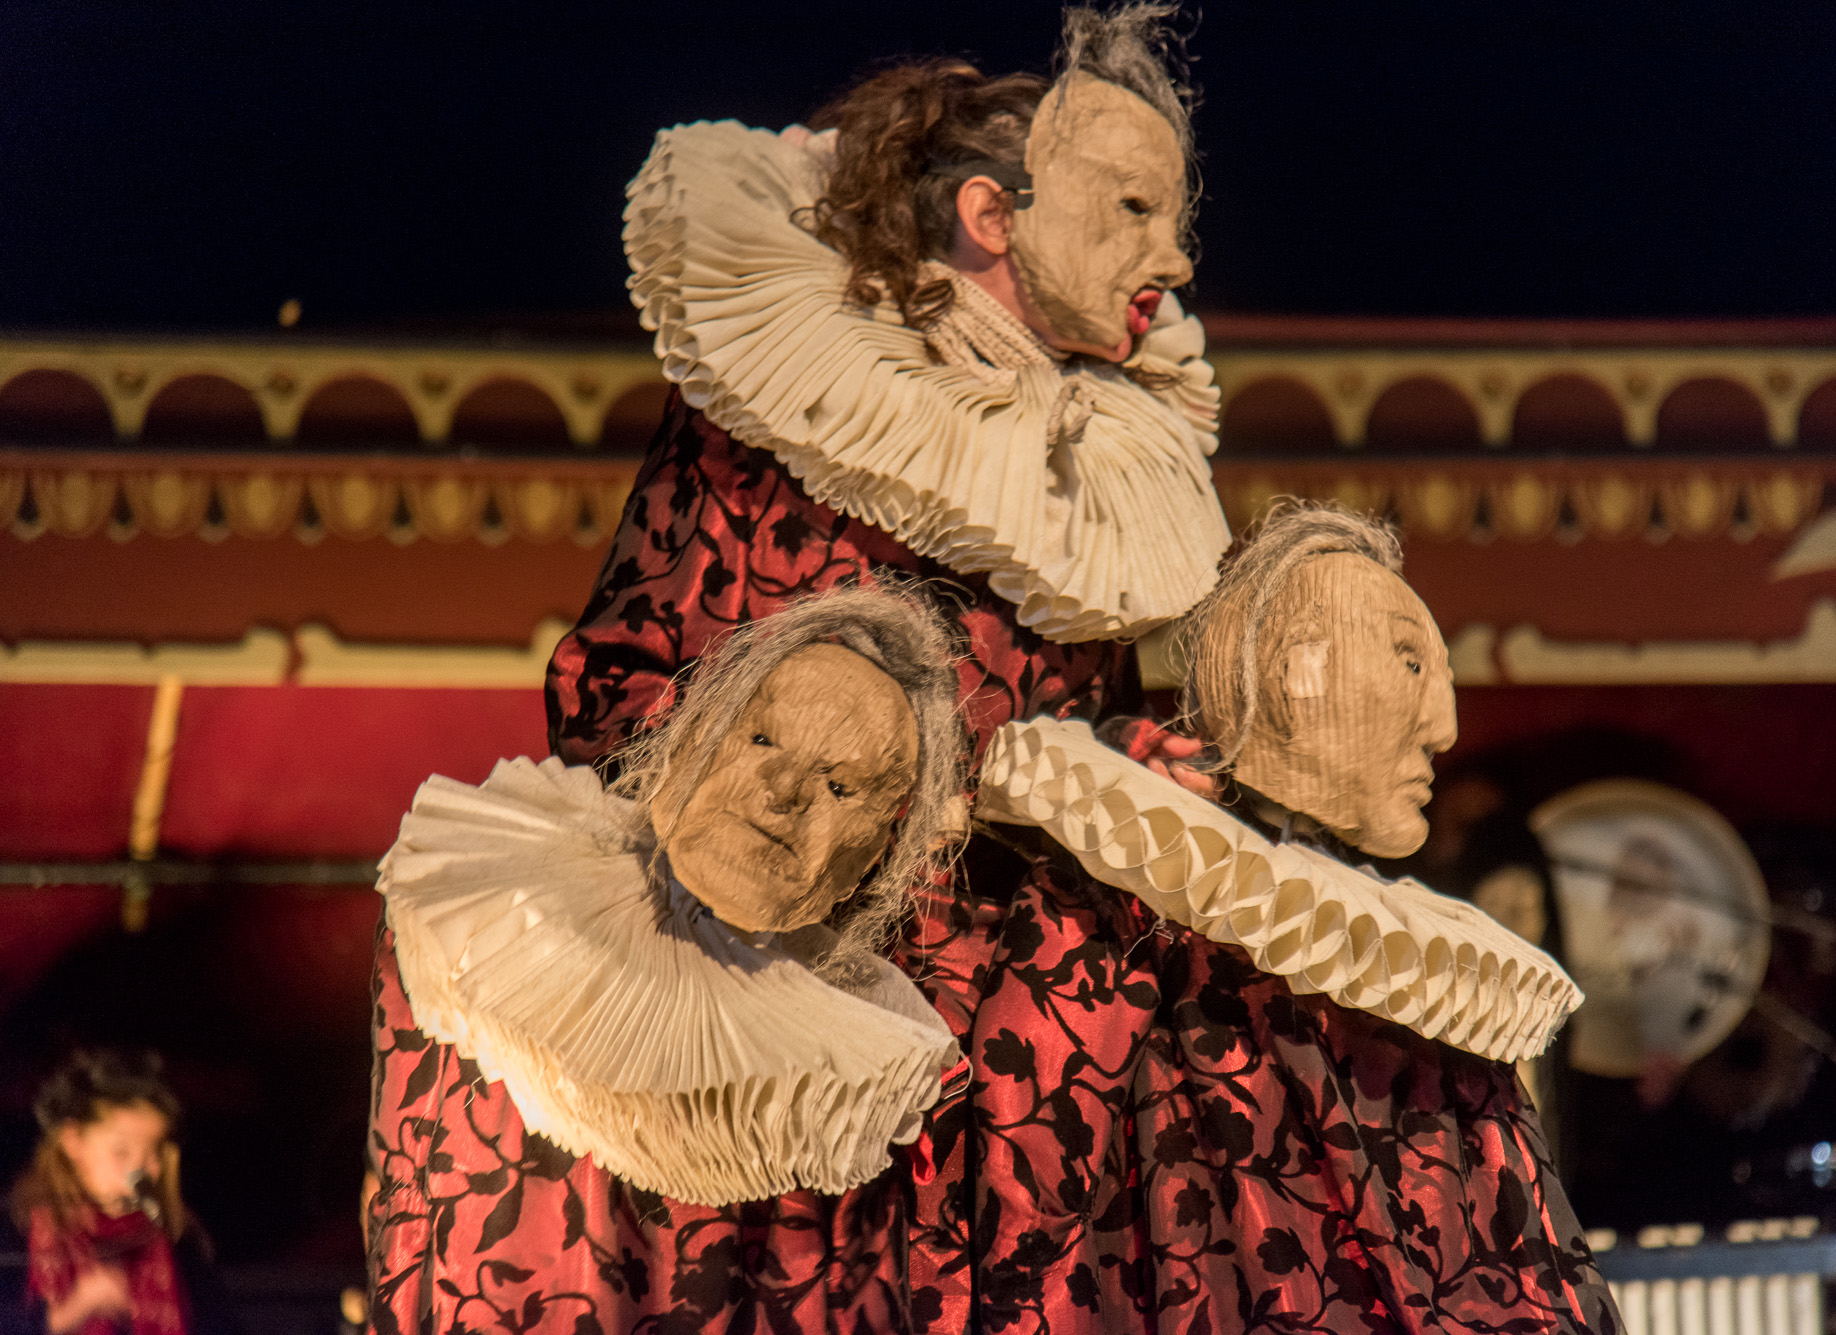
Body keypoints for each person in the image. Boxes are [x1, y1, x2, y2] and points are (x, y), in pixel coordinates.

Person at [370, 7, 1230, 1332]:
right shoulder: (802, 404)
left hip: (991, 959)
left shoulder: (1091, 484)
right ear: (993, 216)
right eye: (1127, 208)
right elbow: (626, 675)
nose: (1169, 256)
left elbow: (1086, 733)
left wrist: (1128, 780)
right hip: (766, 936)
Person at [970, 502, 1621, 1332]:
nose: (1446, 728)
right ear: (1300, 669)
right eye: (1412, 665)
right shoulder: (1134, 871)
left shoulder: (1402, 947)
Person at [10, 1051, 232, 1335]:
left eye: (153, 1153)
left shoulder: (178, 1237)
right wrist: (68, 1314)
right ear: (73, 1141)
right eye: (121, 1152)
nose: (139, 1174)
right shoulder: (17, 1229)